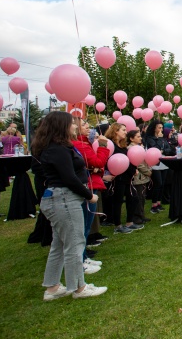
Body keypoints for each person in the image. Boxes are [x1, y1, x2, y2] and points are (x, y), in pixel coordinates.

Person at [32, 111, 106, 300]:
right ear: (61, 126)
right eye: (72, 123)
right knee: (74, 243)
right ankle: (79, 288)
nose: (75, 126)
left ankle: (52, 287)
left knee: (59, 244)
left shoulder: (58, 147)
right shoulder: (56, 149)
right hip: (64, 199)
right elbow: (69, 178)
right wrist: (89, 196)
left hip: (61, 198)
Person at [71, 118, 110, 268]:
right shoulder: (79, 145)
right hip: (88, 186)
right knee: (84, 225)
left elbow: (96, 165)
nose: (88, 127)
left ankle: (83, 255)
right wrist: (102, 146)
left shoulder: (84, 143)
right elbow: (98, 162)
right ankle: (81, 258)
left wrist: (96, 167)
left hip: (91, 183)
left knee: (85, 224)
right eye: (84, 125)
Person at [104, 123, 141, 234]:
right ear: (116, 131)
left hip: (127, 177)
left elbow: (129, 160)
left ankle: (129, 222)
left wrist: (134, 170)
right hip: (118, 178)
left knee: (133, 198)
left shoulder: (122, 145)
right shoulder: (111, 146)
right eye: (123, 130)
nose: (126, 132)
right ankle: (118, 225)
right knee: (117, 201)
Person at [144, 120, 173, 214]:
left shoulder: (163, 138)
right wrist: (160, 141)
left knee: (163, 183)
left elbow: (169, 149)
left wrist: (163, 150)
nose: (161, 129)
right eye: (159, 128)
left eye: (162, 128)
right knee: (158, 183)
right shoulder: (150, 138)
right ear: (154, 128)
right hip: (154, 163)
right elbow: (154, 148)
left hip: (164, 162)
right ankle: (153, 204)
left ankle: (159, 203)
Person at [127, 130, 152, 225]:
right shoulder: (131, 149)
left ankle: (141, 215)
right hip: (138, 176)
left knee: (142, 197)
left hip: (142, 176)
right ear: (131, 138)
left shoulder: (138, 147)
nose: (140, 138)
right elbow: (139, 164)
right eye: (138, 136)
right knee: (138, 197)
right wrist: (148, 172)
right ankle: (136, 217)